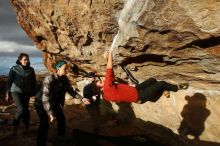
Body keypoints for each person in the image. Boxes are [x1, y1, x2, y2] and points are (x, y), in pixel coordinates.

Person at [96, 51, 189, 104]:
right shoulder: (107, 89)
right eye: (99, 82)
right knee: (161, 84)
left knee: (152, 80)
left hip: (136, 90)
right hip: (140, 96)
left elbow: (111, 78)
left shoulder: (106, 93)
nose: (101, 80)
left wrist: (107, 59)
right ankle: (177, 88)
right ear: (100, 88)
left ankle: (154, 97)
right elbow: (109, 71)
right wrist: (110, 55)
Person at [34, 60, 90, 146]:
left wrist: (82, 98)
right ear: (58, 68)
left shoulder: (64, 78)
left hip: (54, 102)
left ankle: (61, 137)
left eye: (67, 69)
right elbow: (45, 97)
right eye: (65, 69)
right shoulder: (49, 78)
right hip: (41, 103)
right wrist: (50, 112)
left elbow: (70, 91)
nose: (67, 71)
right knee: (44, 124)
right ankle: (40, 143)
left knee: (61, 119)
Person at [5, 53, 36, 134]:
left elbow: (34, 82)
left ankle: (26, 126)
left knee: (26, 110)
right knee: (20, 109)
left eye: (27, 59)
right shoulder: (14, 68)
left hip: (26, 92)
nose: (26, 61)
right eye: (24, 59)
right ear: (20, 60)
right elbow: (9, 81)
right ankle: (15, 126)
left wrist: (34, 92)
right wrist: (7, 93)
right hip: (15, 91)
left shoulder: (31, 69)